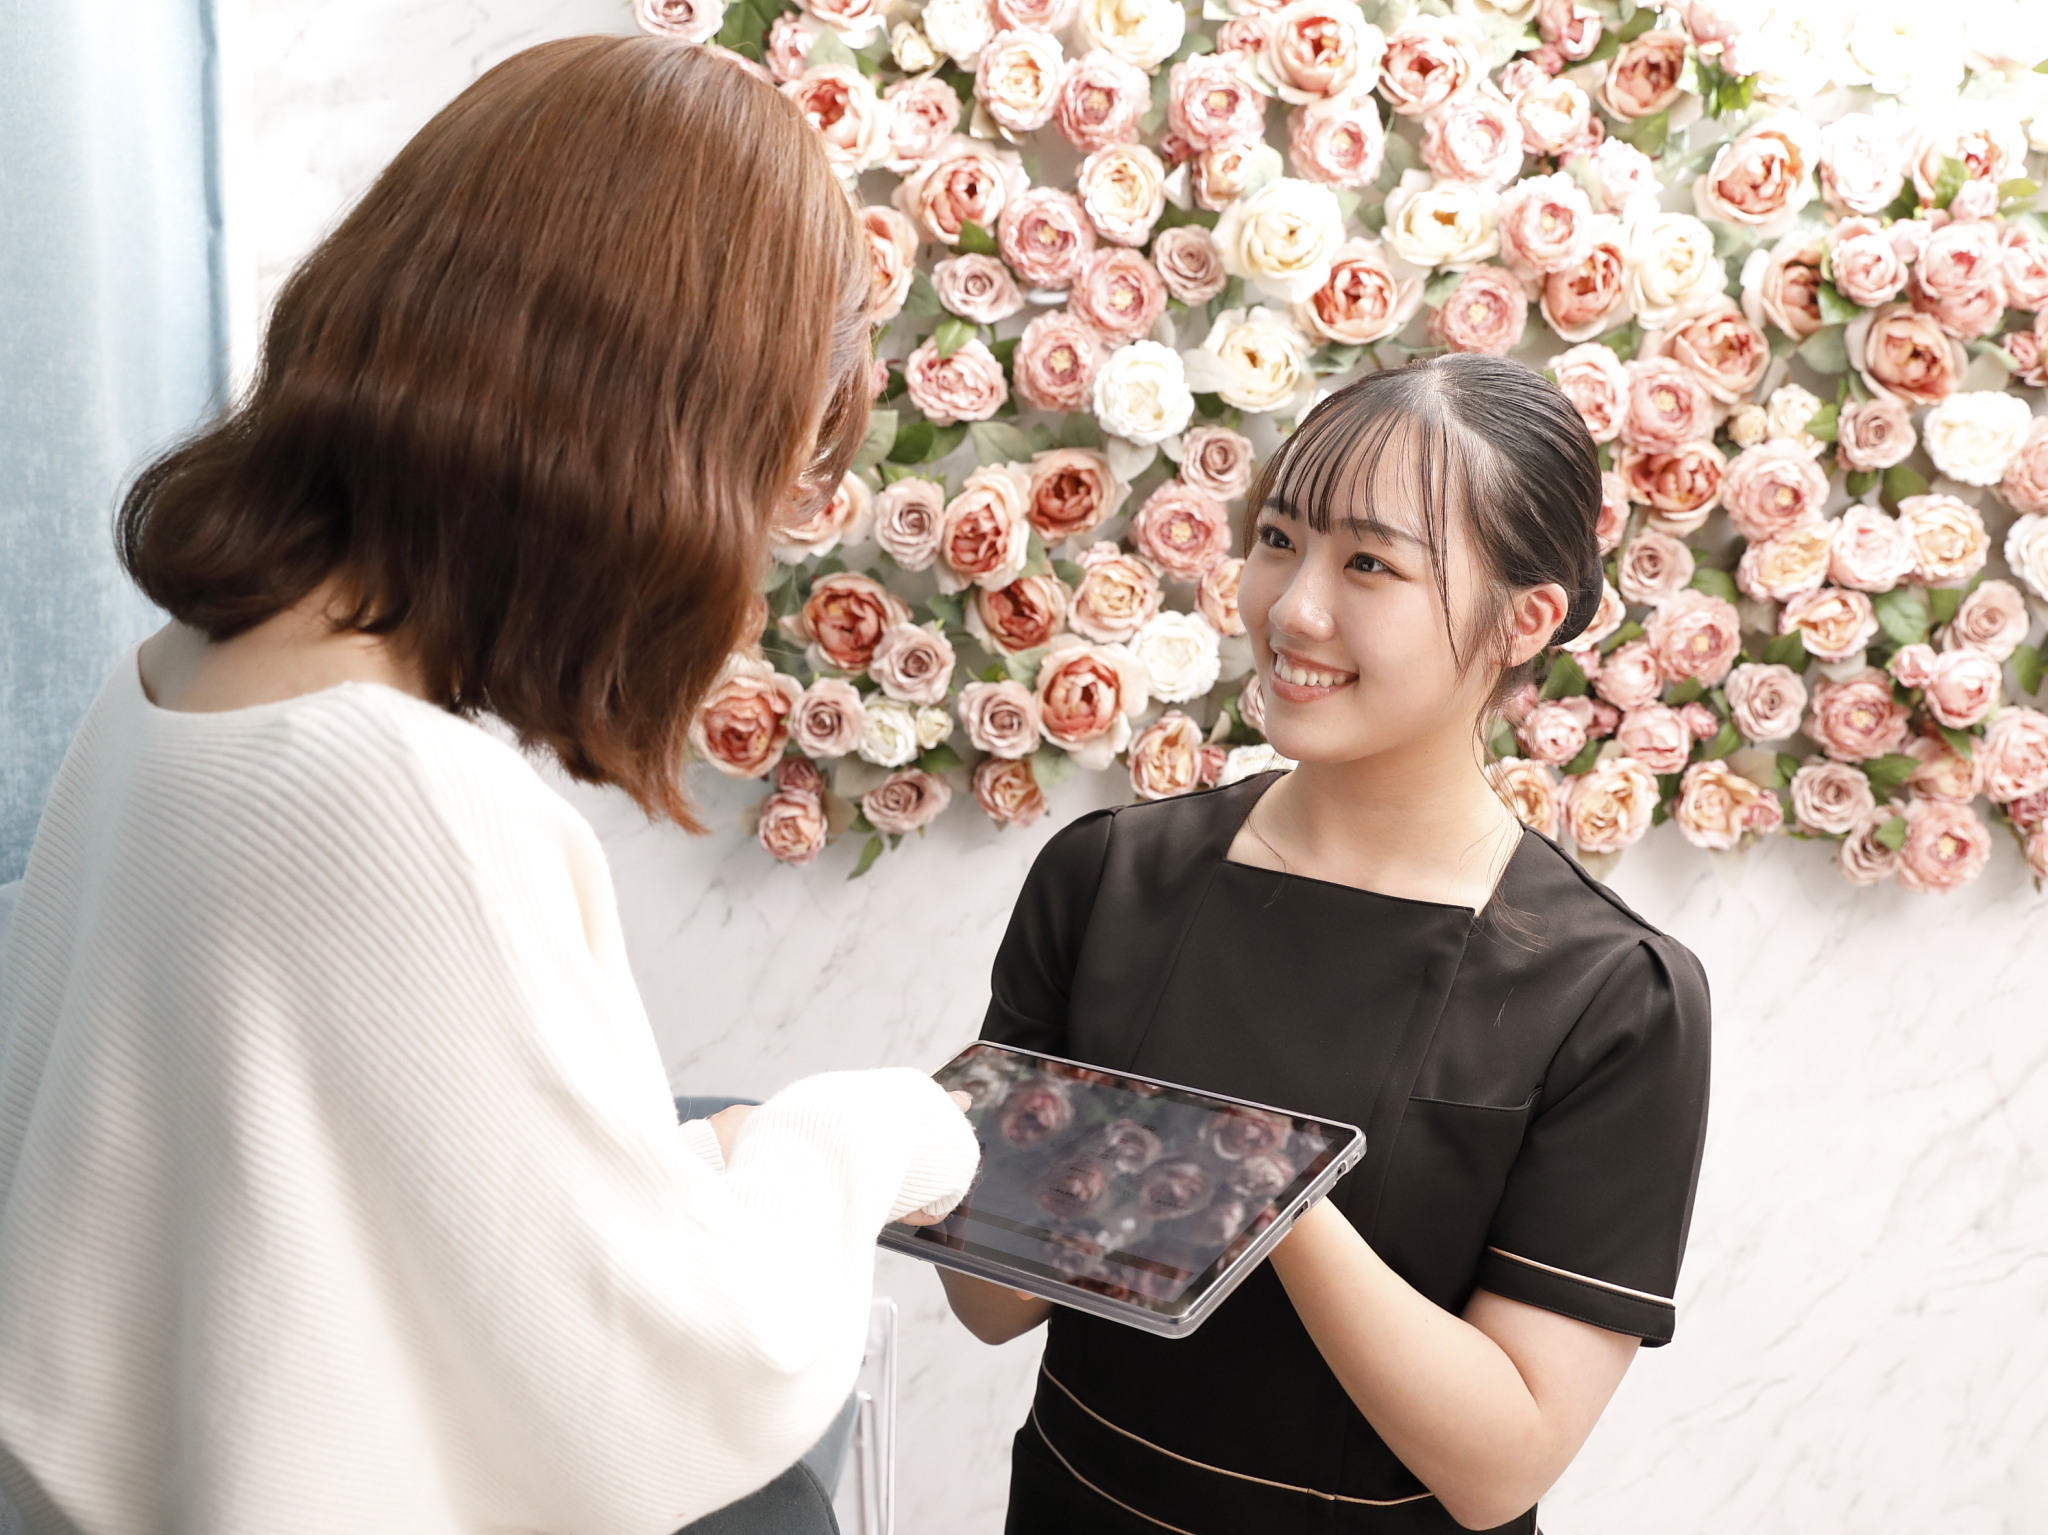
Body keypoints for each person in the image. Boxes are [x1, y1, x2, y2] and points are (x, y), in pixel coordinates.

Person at [0, 37, 979, 1535]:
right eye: (769, 466)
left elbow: (347, 1200)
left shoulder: (175, 684)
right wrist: (868, 1128)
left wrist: (695, 1161)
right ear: (656, 438)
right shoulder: (395, 793)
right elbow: (668, 1374)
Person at [942, 353, 1712, 1534]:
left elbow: (1499, 1464)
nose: (1292, 608)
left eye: (1368, 563)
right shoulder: (1105, 877)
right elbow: (992, 1305)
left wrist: (1260, 1187)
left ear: (1522, 621)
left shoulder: (1609, 993)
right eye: (1278, 539)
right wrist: (902, 1147)